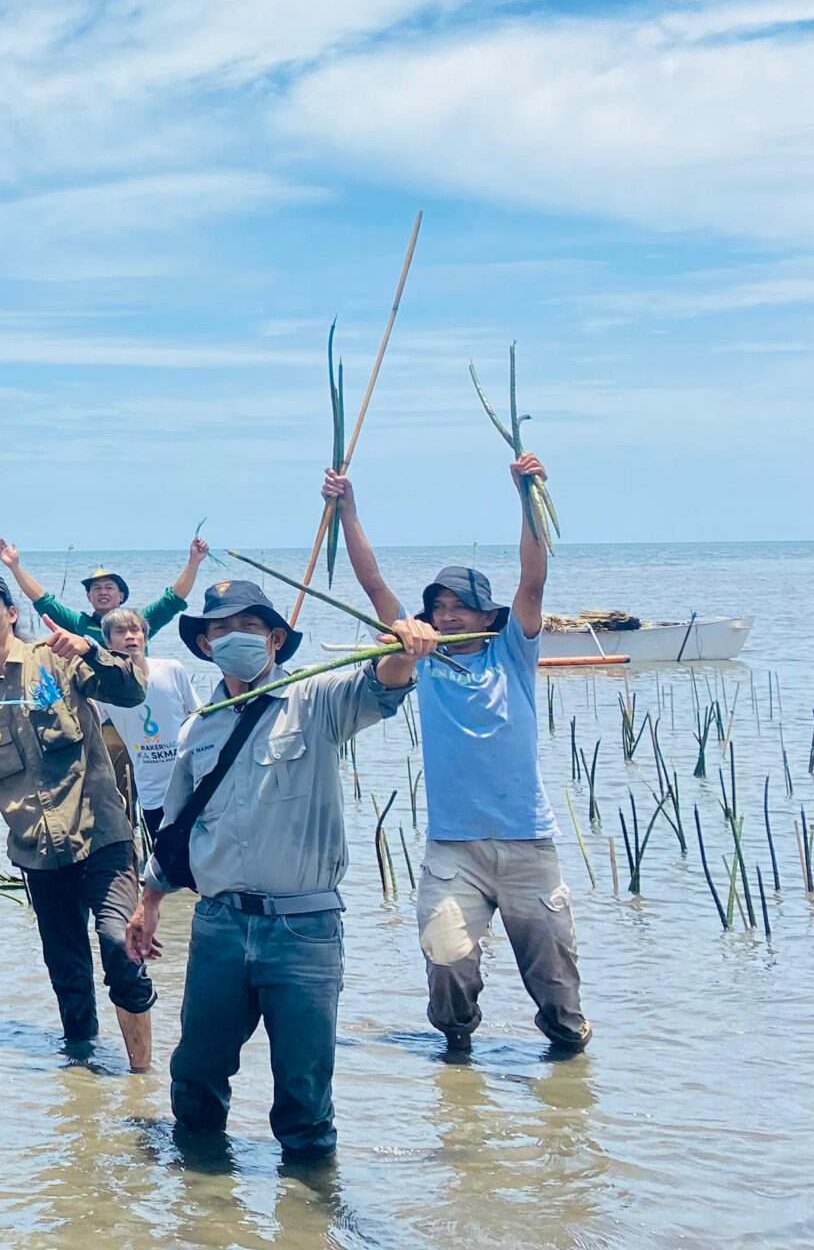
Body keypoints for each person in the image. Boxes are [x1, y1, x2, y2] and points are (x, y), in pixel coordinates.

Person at [125, 573, 439, 1162]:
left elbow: (383, 686)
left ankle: (311, 1215)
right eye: (221, 629)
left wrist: (404, 647)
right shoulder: (198, 727)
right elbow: (179, 829)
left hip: (303, 931)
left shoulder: (316, 700)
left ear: (274, 640)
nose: (234, 638)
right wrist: (148, 901)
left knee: (302, 1094)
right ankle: (201, 1207)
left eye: (249, 626)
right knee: (194, 1078)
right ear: (203, 645)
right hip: (218, 925)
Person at [334, 454, 590, 1059]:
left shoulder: (512, 651)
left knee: (555, 980)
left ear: (484, 615)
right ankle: (456, 1062)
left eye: (460, 608)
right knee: (447, 964)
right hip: (454, 846)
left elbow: (533, 581)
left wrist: (527, 495)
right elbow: (373, 585)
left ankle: (569, 1069)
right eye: (439, 607)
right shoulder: (424, 660)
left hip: (528, 842)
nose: (447, 616)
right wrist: (347, 506)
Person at [0, 571, 155, 1066]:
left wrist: (90, 650)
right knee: (67, 971)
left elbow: (132, 692)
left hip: (101, 837)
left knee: (116, 943)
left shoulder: (57, 659)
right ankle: (83, 1077)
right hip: (38, 855)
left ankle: (141, 1076)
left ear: (11, 613)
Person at [97, 603, 202, 838]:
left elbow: (200, 717)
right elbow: (86, 725)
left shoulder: (172, 669)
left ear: (145, 636)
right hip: (152, 793)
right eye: (120, 632)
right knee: (167, 863)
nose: (130, 636)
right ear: (108, 642)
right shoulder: (105, 688)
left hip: (191, 785)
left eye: (135, 630)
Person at [0, 537, 210, 646]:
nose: (102, 592)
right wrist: (15, 567)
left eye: (109, 587)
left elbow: (172, 600)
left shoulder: (139, 622)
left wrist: (194, 562)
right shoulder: (80, 624)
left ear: (121, 596)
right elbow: (44, 601)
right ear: (88, 596)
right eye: (96, 588)